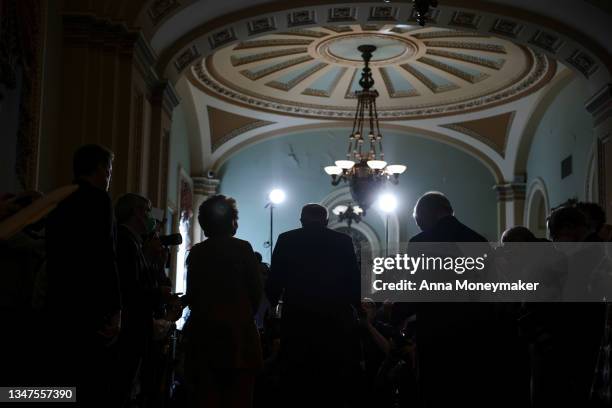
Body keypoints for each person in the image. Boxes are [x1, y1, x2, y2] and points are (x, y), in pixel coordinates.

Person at [407, 192, 503, 407]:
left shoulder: (420, 242)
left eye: (419, 220)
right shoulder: (477, 239)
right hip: (473, 330)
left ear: (427, 213)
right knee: (468, 390)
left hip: (434, 331)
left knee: (435, 391)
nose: (420, 225)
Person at [44, 144, 121, 407]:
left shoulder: (60, 198)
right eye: (109, 170)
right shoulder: (99, 199)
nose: (109, 176)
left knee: (63, 381)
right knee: (91, 384)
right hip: (91, 306)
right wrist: (115, 308)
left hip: (58, 301)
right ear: (99, 169)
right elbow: (105, 255)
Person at [266, 203, 360, 408]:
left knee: (298, 379)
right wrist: (357, 312)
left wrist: (270, 309)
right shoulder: (343, 241)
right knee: (331, 380)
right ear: (326, 221)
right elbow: (354, 281)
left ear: (301, 220)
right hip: (334, 323)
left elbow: (275, 281)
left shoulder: (287, 239)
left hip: (298, 320)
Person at [183, 195, 263, 408]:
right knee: (238, 396)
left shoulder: (198, 252)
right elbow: (256, 292)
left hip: (204, 333)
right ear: (231, 221)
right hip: (238, 333)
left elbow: (192, 294)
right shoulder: (243, 248)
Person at [114, 193, 157, 407]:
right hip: (131, 326)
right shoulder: (125, 240)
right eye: (147, 211)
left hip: (134, 326)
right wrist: (159, 294)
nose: (150, 217)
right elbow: (133, 287)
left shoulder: (133, 241)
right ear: (136, 213)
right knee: (123, 386)